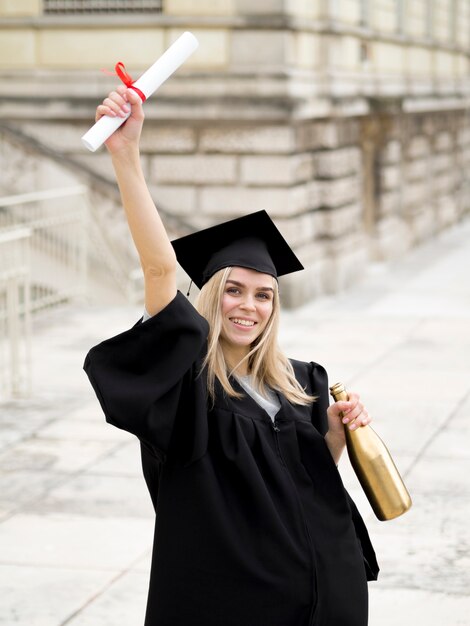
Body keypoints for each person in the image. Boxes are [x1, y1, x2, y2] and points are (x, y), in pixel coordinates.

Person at [84, 86, 379, 626]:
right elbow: (158, 270)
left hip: (327, 594)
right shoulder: (187, 389)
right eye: (233, 289)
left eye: (263, 294)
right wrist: (126, 156)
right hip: (232, 605)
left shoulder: (304, 381)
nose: (249, 306)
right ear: (210, 294)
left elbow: (304, 480)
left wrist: (335, 434)